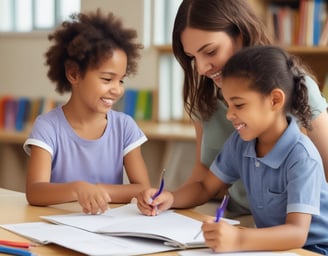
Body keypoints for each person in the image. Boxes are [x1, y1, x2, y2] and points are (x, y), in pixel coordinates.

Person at [137, 45, 328, 254]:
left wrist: (237, 238)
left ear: (275, 100)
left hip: (313, 249)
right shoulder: (241, 143)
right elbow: (204, 186)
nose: (229, 115)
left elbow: (297, 233)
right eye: (228, 104)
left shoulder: (301, 157)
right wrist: (170, 198)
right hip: (271, 247)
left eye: (238, 105)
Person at [170, 0, 328, 216]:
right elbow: (203, 178)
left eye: (210, 51)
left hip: (294, 226)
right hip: (235, 219)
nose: (201, 69)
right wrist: (168, 198)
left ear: (240, 35)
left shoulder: (298, 90)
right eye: (192, 58)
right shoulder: (205, 97)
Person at [23, 9, 151, 215]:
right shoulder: (47, 127)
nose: (117, 89)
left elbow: (142, 188)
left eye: (121, 80)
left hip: (107, 230)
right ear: (74, 74)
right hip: (57, 227)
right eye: (107, 79)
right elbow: (35, 192)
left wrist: (98, 190)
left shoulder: (124, 126)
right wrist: (78, 188)